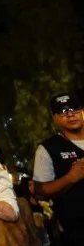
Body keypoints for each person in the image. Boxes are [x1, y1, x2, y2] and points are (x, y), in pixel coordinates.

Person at [32, 92, 84, 246]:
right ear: (54, 118)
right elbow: (39, 190)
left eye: (74, 109)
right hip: (77, 232)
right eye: (62, 111)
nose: (70, 115)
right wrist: (70, 178)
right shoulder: (47, 148)